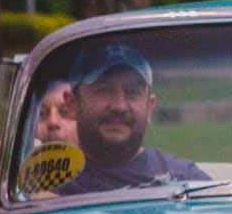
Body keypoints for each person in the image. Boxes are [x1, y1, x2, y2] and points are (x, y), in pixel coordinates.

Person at [50, 43, 208, 196]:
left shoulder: (183, 179)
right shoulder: (50, 184)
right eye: (104, 90)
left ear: (149, 108)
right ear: (72, 104)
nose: (120, 106)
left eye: (133, 92)